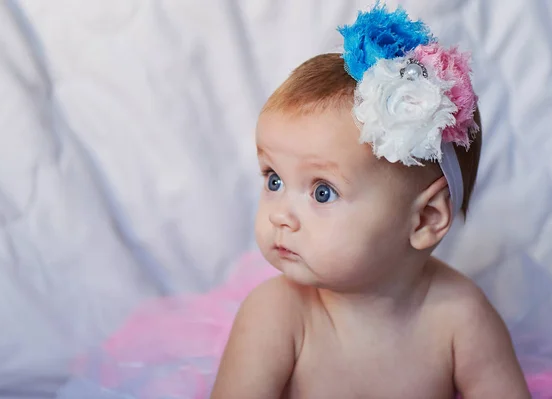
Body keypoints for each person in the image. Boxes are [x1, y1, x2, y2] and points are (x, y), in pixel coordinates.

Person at [210, 3, 531, 398]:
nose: (281, 216)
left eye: (322, 192)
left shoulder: (461, 319)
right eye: (273, 179)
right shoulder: (277, 316)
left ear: (425, 218)